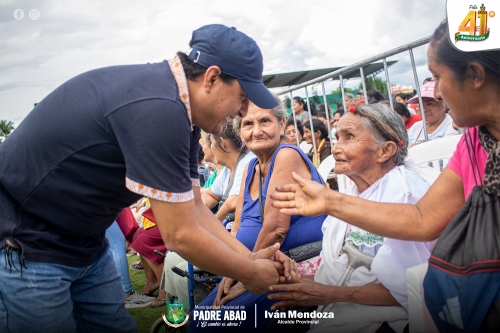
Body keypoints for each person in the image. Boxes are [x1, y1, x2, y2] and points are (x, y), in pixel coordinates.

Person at [0, 24, 294, 333]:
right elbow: (180, 235)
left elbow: (194, 208)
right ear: (212, 78)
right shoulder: (160, 110)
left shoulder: (184, 113)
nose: (242, 111)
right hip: (29, 246)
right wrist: (250, 272)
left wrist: (249, 258)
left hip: (83, 243)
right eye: (242, 96)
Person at [270, 20, 500, 330]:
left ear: (475, 75)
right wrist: (329, 202)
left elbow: (411, 275)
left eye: (438, 78)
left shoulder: (404, 188)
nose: (438, 94)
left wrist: (326, 291)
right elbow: (421, 219)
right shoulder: (473, 142)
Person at [267, 102, 437, 333]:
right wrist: (297, 275)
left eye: (349, 137)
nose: (336, 148)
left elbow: (416, 288)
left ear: (385, 151)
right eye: (337, 137)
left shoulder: (404, 197)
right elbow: (345, 267)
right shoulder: (351, 193)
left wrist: (328, 293)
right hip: (339, 311)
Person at [191, 98, 326, 332]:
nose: (257, 131)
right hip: (253, 265)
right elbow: (237, 227)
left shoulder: (287, 155)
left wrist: (244, 276)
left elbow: (276, 230)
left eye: (265, 121)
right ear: (239, 131)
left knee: (208, 325)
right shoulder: (251, 168)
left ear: (282, 124)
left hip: (292, 269)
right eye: (248, 124)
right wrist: (232, 271)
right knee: (199, 318)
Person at [201, 122, 255, 221]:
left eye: (212, 142)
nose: (211, 148)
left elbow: (233, 202)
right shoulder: (227, 169)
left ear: (223, 143)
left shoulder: (248, 161)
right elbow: (211, 195)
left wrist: (213, 225)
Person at [406, 81, 458, 145]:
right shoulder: (416, 127)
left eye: (429, 104)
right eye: (421, 105)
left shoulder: (453, 124)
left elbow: (447, 147)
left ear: (444, 105)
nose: (424, 110)